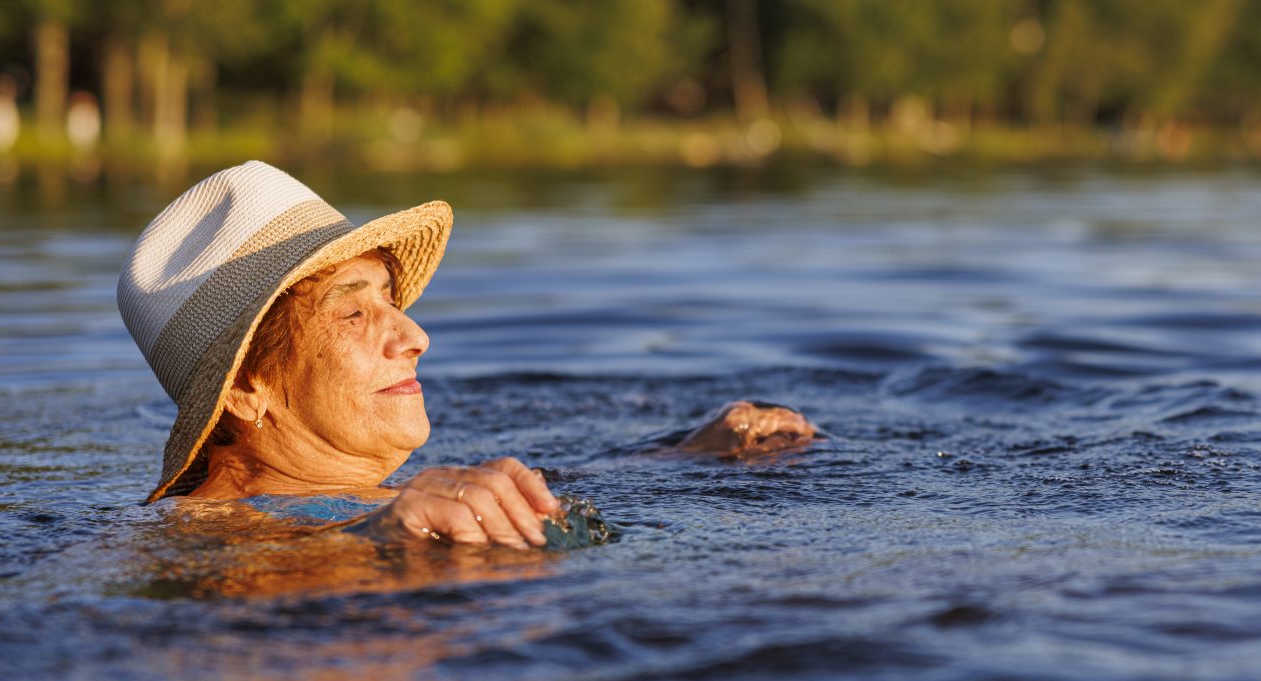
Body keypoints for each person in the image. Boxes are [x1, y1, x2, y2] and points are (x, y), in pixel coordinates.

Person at [119, 161, 815, 550]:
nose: (416, 336)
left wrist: (691, 453)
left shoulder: (332, 496)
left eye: (392, 300)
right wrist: (377, 536)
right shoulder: (203, 530)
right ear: (247, 387)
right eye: (354, 310)